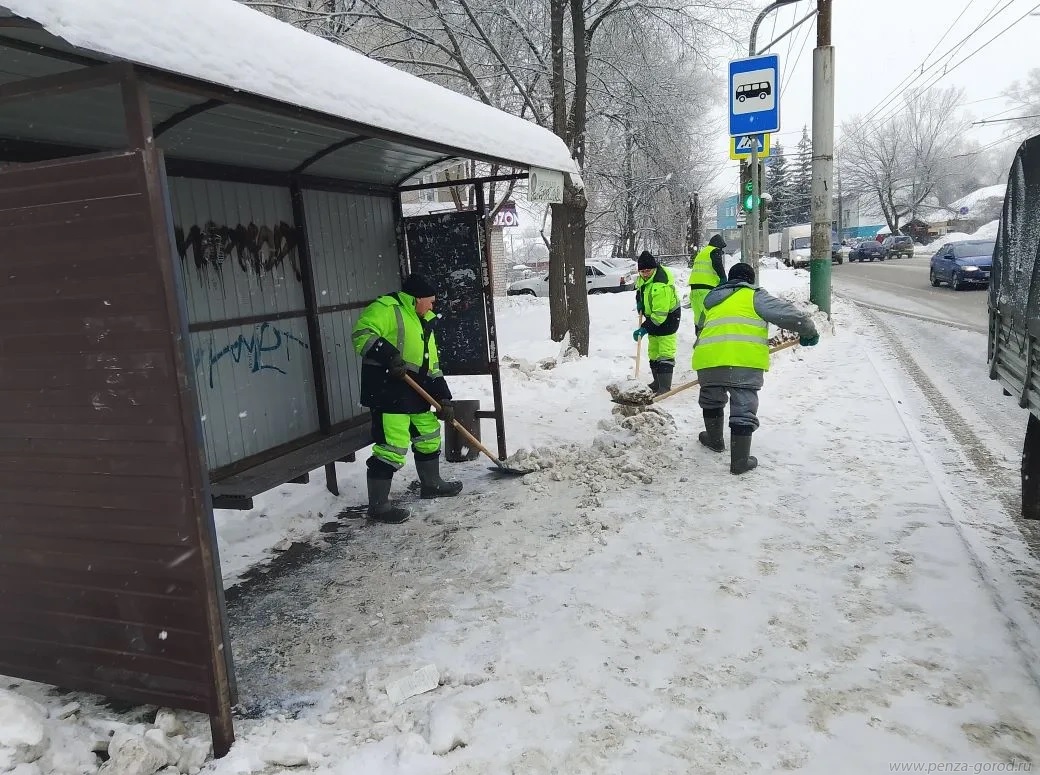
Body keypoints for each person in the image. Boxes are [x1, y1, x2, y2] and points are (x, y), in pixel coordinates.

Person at [351, 273, 463, 523]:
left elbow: (432, 365)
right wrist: (389, 356)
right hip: (388, 391)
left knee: (429, 435)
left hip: (416, 391)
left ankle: (431, 484)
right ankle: (378, 507)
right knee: (392, 446)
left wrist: (444, 398)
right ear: (416, 299)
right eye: (430, 301)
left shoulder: (426, 322)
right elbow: (362, 334)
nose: (433, 306)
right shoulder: (387, 308)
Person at [691, 262, 819, 475]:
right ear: (750, 280)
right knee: (743, 405)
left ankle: (714, 441)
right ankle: (739, 461)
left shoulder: (711, 302)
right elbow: (791, 315)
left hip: (707, 359)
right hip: (742, 361)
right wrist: (809, 332)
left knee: (711, 398)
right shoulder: (754, 295)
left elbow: (702, 329)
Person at [632, 251, 681, 394]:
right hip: (653, 318)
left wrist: (644, 328)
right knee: (653, 351)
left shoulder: (661, 285)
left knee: (664, 352)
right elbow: (641, 291)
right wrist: (639, 302)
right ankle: (657, 381)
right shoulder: (643, 279)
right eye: (642, 271)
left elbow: (660, 314)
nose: (645, 274)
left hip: (668, 319)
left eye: (648, 270)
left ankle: (665, 386)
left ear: (654, 268)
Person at [688, 234, 729, 330]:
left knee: (699, 317)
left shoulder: (702, 253)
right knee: (709, 315)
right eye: (721, 248)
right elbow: (717, 264)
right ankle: (709, 339)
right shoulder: (714, 250)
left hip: (694, 290)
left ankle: (699, 336)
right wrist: (723, 278)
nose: (721, 251)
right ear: (718, 245)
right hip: (707, 290)